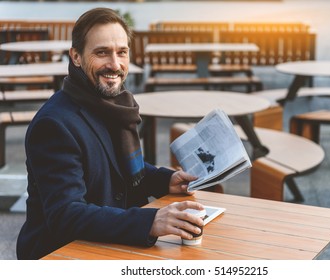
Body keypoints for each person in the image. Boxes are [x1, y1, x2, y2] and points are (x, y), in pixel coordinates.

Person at [16, 7, 204, 260]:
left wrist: (164, 180)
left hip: (106, 243)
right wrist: (149, 221)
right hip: (61, 254)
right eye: (102, 52)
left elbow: (114, 166)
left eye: (121, 52)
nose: (114, 65)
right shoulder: (53, 125)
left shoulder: (111, 105)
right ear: (76, 56)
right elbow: (66, 214)